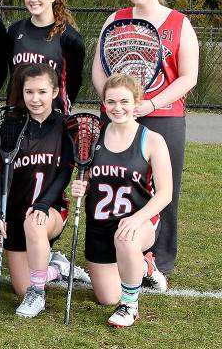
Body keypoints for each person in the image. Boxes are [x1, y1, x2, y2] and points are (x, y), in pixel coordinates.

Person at [91, 0, 198, 282]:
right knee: (114, 183)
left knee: (164, 190)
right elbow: (100, 68)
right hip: (119, 117)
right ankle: (114, 252)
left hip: (163, 116)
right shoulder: (117, 19)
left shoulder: (179, 22)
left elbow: (188, 77)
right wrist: (115, 104)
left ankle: (158, 261)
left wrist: (150, 104)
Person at [70, 73, 173, 327]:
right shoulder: (94, 138)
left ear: (136, 102)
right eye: (111, 102)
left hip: (138, 223)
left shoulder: (151, 140)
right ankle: (145, 267)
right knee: (107, 297)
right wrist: (81, 186)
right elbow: (88, 177)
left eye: (124, 101)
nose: (118, 108)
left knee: (125, 237)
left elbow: (165, 193)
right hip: (99, 225)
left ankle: (130, 306)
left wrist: (137, 219)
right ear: (104, 104)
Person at [0, 64, 75, 318]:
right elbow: (2, 173)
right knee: (20, 288)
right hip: (17, 213)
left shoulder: (65, 125)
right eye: (29, 92)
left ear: (54, 91)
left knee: (35, 223)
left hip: (48, 211)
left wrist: (43, 204)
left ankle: (37, 295)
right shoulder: (13, 124)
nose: (35, 99)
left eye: (42, 92)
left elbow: (64, 173)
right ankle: (56, 268)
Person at [5, 0, 85, 112]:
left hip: (53, 117)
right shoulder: (14, 30)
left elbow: (74, 83)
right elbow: (12, 74)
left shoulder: (69, 37)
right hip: (17, 114)